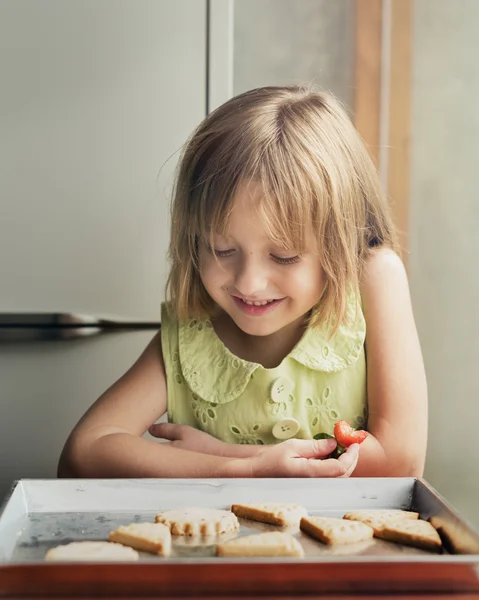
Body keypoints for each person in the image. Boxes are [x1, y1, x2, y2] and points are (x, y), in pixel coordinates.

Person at [58, 85, 427, 479]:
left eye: (283, 256)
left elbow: (400, 460)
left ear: (340, 243)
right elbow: (82, 455)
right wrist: (247, 468)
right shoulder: (194, 332)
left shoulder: (374, 278)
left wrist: (222, 454)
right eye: (222, 249)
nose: (249, 284)